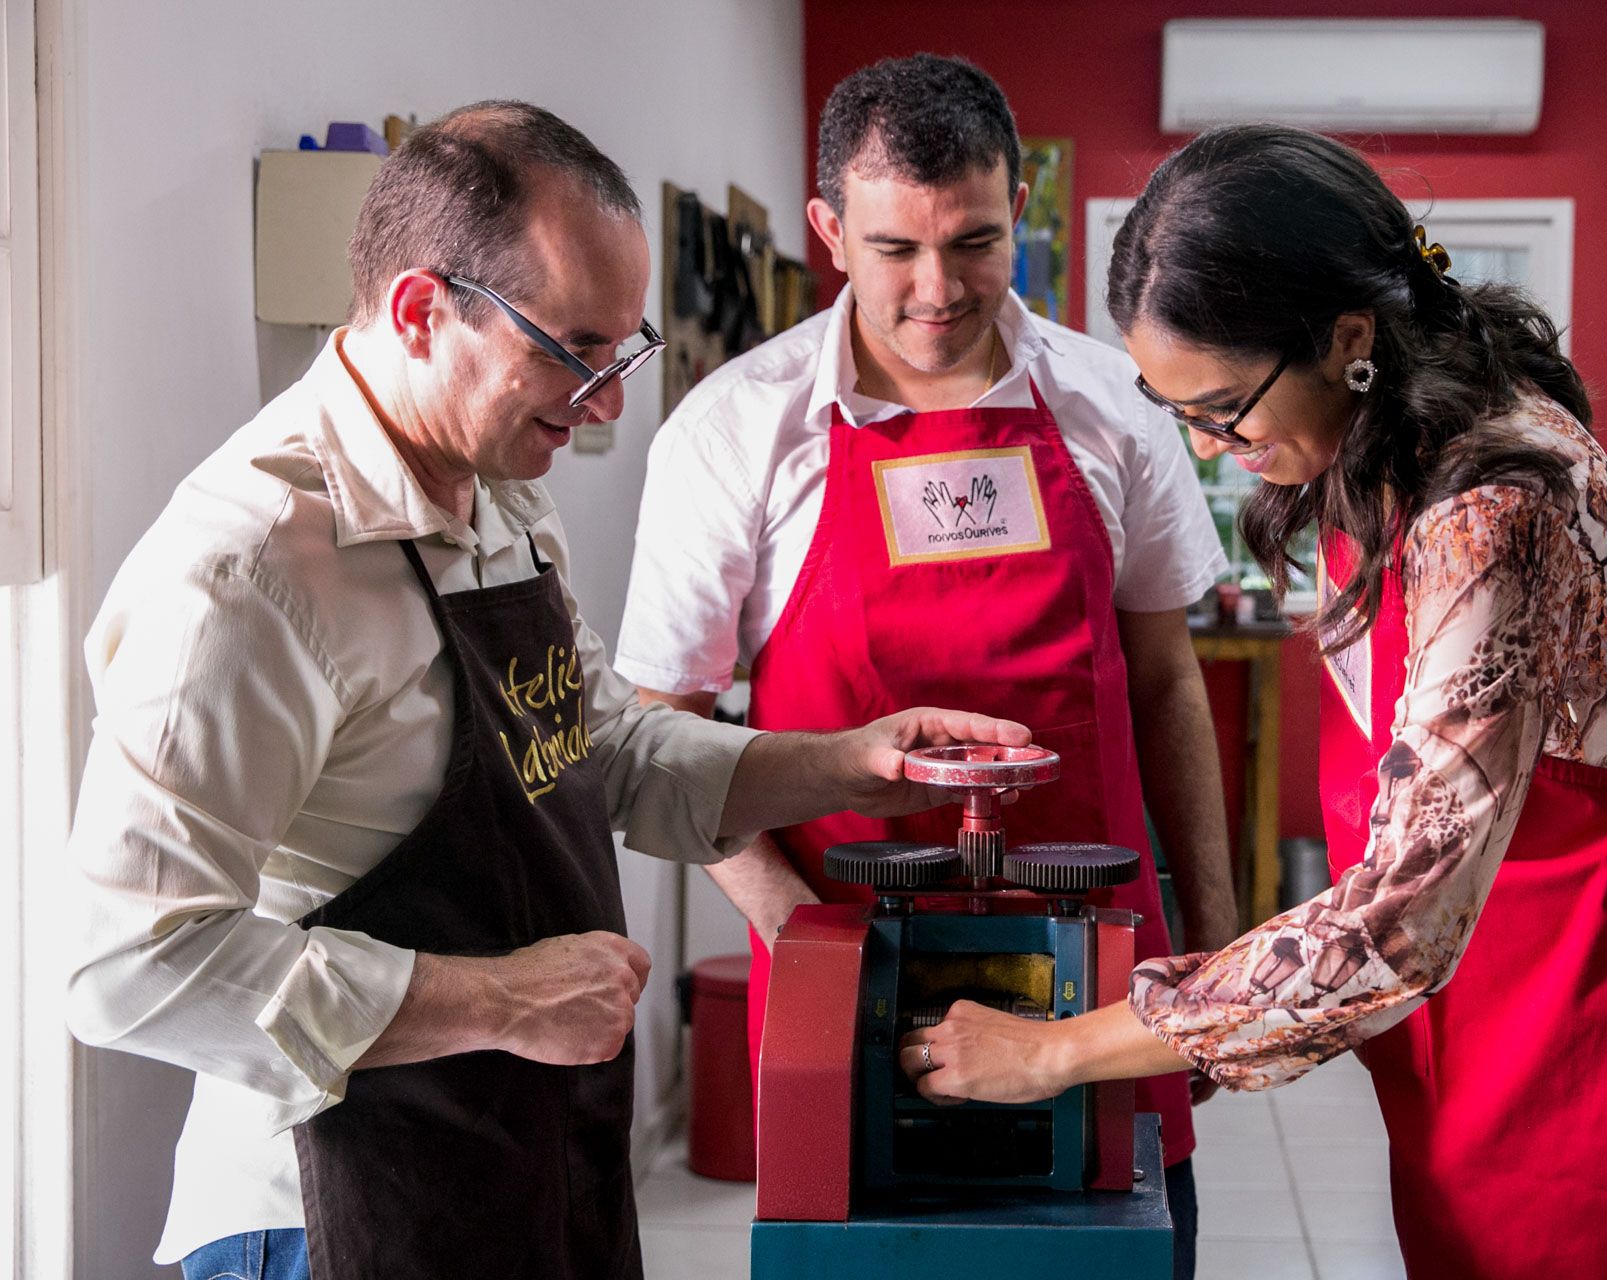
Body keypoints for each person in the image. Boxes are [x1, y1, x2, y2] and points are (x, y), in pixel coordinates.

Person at [64, 100, 1027, 1280]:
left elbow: (601, 751)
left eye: (623, 352)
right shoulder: (249, 568)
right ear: (423, 312)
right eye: (573, 352)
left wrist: (846, 761)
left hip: (521, 1159)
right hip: (332, 1202)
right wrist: (501, 1001)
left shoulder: (497, 490)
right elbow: (127, 963)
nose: (609, 400)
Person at [901, 124, 1607, 1280]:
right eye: (1181, 416)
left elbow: (1402, 918)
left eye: (1225, 408)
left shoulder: (1487, 507)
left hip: (1594, 1023)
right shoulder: (1388, 452)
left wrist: (1062, 1050)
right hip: (1492, 1004)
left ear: (1351, 337)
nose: (1217, 448)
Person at [614, 54, 1234, 1273]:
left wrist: (1211, 939)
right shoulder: (740, 429)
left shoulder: (1117, 402)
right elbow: (662, 733)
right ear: (830, 231)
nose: (938, 288)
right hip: (844, 955)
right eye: (895, 248)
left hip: (1103, 964)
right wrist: (810, 952)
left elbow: (1167, 681)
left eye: (976, 241)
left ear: (1020, 218)